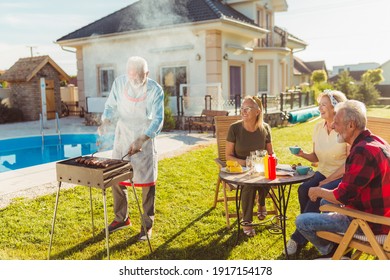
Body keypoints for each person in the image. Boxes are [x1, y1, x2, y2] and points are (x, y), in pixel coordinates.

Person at [295, 100, 390, 258]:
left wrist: (317, 190)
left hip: (369, 223)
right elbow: (349, 190)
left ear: (351, 125)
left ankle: (332, 252)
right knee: (325, 203)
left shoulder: (362, 151)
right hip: (381, 214)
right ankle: (338, 249)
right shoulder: (378, 142)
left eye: (337, 123)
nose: (333, 126)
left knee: (302, 221)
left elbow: (342, 195)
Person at [98, 56, 164, 241]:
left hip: (145, 135)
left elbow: (158, 119)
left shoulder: (155, 89)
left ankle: (147, 225)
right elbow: (110, 106)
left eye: (139, 76)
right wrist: (106, 122)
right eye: (131, 74)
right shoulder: (119, 83)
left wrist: (141, 140)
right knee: (117, 176)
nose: (134, 79)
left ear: (147, 74)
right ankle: (121, 218)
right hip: (123, 134)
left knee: (147, 182)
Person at [283, 90, 349, 256]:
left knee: (318, 193)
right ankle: (307, 229)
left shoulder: (343, 127)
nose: (320, 108)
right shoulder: (318, 127)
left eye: (324, 105)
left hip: (341, 175)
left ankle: (298, 237)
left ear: (335, 107)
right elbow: (316, 158)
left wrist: (324, 183)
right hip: (323, 171)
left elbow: (349, 164)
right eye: (319, 105)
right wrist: (303, 154)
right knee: (303, 189)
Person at [226, 96, 274, 237]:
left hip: (259, 169)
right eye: (242, 108)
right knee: (249, 184)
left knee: (271, 176)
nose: (243, 111)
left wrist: (273, 158)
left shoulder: (265, 128)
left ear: (257, 111)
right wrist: (248, 162)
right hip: (241, 169)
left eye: (247, 108)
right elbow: (228, 155)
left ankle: (261, 202)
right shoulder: (234, 128)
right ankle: (247, 221)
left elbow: (270, 153)